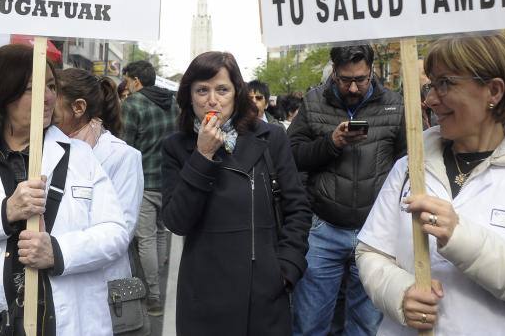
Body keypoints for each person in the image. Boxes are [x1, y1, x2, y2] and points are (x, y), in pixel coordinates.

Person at [355, 34, 505, 335]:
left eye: (445, 84)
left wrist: (459, 236)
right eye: (431, 85)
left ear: (493, 90)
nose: (430, 100)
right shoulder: (410, 167)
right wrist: (400, 293)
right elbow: (372, 252)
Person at [0, 44, 128, 335]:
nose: (47, 97)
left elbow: (115, 233)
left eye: (51, 86)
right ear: (0, 93)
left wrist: (58, 251)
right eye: (31, 88)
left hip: (63, 322)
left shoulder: (79, 155)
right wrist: (5, 213)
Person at [162, 51, 311, 335]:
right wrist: (203, 155)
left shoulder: (270, 137)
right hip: (203, 296)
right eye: (202, 90)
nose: (212, 100)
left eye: (222, 89)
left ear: (237, 93)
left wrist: (287, 270)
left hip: (263, 295)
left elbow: (297, 208)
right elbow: (176, 221)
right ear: (189, 96)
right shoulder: (176, 147)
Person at [289, 44, 406, 336]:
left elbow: (410, 163)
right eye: (345, 80)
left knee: (367, 325)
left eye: (361, 79)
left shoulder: (395, 104)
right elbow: (291, 155)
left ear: (372, 71)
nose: (353, 87)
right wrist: (331, 143)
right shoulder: (313, 102)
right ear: (333, 72)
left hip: (375, 234)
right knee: (309, 322)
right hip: (323, 229)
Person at [53, 68, 144, 280]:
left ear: (78, 107)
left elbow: (122, 230)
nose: (44, 107)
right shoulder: (46, 147)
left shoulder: (122, 156)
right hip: (56, 278)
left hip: (102, 282)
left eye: (52, 97)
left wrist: (56, 252)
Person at [121, 60, 179, 315]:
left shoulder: (133, 104)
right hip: (168, 180)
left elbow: (125, 147)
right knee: (159, 233)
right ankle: (157, 278)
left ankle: (153, 297)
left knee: (144, 239)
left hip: (143, 181)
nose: (127, 86)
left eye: (127, 81)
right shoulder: (172, 103)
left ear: (136, 80)